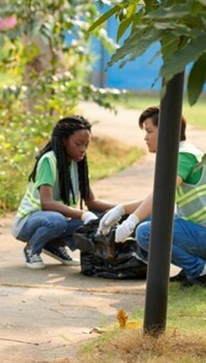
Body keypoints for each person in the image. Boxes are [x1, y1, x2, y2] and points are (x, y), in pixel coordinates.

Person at [98, 106, 206, 285]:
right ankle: (192, 270)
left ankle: (199, 271)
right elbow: (157, 198)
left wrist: (132, 221)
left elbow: (162, 193)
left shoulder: (184, 155)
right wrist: (121, 209)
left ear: (166, 131)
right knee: (151, 217)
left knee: (145, 232)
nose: (145, 137)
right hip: (199, 231)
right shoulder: (178, 154)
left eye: (149, 131)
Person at [12, 115, 115, 269]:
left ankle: (52, 245)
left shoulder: (78, 164)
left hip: (57, 219)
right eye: (79, 144)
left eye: (86, 145)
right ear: (64, 141)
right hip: (29, 222)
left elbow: (91, 202)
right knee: (57, 220)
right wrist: (81, 214)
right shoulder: (49, 161)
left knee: (101, 219)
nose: (83, 149)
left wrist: (121, 210)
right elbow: (46, 203)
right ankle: (31, 248)